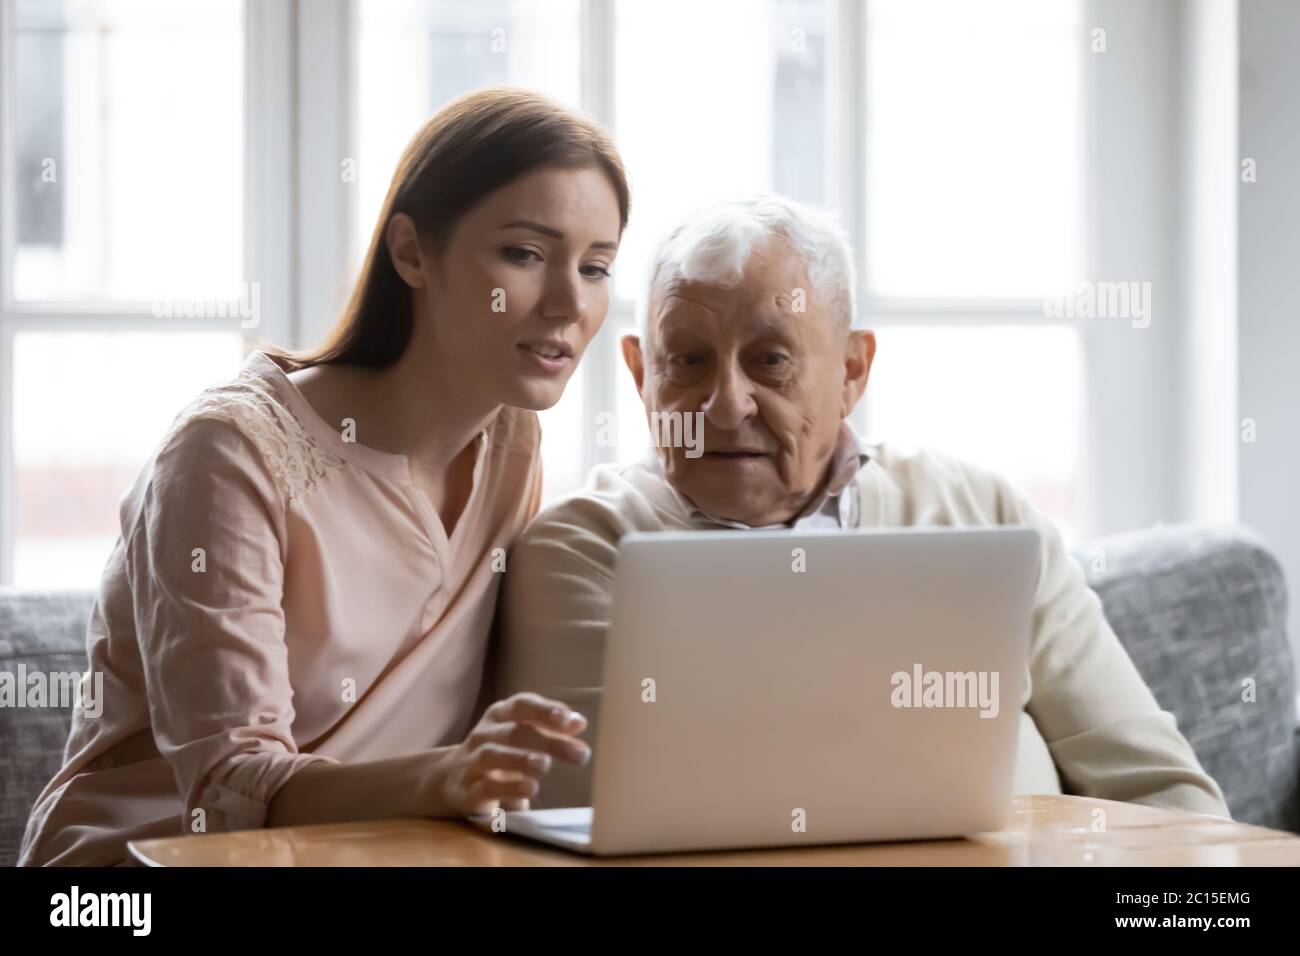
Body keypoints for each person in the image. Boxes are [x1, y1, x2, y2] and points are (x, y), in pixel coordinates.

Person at [20, 87, 626, 866]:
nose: (570, 304)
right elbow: (230, 788)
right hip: (128, 878)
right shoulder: (227, 454)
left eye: (598, 266)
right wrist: (447, 777)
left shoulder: (514, 441)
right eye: (526, 254)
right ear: (412, 252)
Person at [497, 194, 1232, 819]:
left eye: (771, 360)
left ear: (852, 371)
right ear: (639, 371)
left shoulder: (981, 511)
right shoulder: (583, 547)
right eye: (687, 361)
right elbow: (594, 810)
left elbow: (1161, 790)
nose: (725, 405)